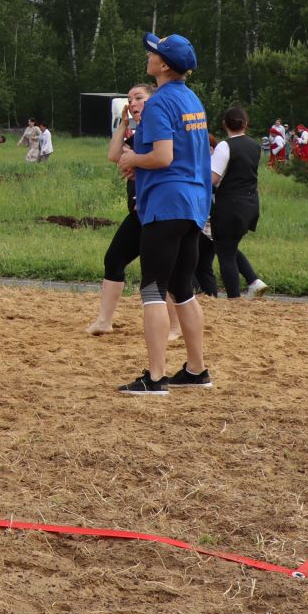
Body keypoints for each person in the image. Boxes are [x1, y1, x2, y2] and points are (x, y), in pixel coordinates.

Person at [116, 32, 213, 395]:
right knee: (183, 290)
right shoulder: (192, 100)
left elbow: (162, 156)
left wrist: (132, 159)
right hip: (193, 204)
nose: (149, 55)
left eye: (154, 52)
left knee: (153, 291)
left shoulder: (158, 103)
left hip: (166, 204)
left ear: (165, 65)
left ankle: (155, 378)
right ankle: (196, 369)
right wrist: (139, 163)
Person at [86, 82, 150, 335]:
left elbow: (166, 159)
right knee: (114, 259)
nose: (133, 103)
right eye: (130, 99)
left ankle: (176, 325)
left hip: (159, 211)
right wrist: (124, 124)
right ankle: (104, 321)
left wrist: (137, 162)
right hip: (138, 212)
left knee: (160, 270)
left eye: (139, 98)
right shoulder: (138, 133)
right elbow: (114, 156)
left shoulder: (157, 131)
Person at [208, 105, 265, 299]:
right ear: (246, 123)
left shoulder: (225, 146)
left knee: (225, 254)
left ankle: (233, 297)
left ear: (224, 124)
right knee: (230, 247)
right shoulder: (255, 145)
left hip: (230, 205)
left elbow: (212, 178)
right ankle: (252, 281)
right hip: (250, 203)